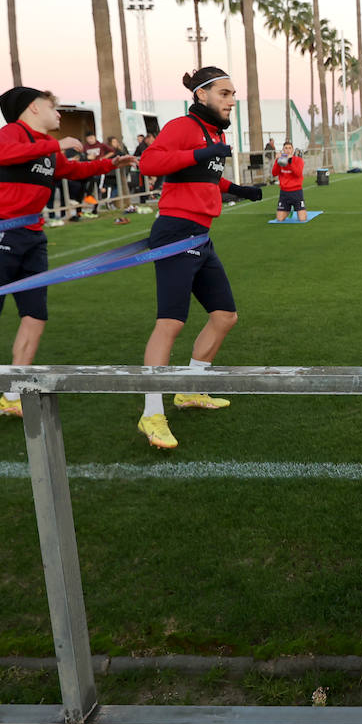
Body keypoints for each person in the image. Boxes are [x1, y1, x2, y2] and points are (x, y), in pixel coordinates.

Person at [0, 87, 133, 432]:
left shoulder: (48, 149)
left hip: (33, 235)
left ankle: (12, 394)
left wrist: (112, 163)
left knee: (35, 315)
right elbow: (4, 155)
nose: (60, 115)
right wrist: (57, 144)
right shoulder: (13, 134)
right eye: (54, 108)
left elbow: (72, 171)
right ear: (34, 108)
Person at [133, 67, 263, 450]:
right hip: (175, 233)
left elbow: (204, 173)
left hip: (200, 235)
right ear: (201, 95)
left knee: (225, 316)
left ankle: (189, 389)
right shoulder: (183, 126)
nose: (231, 100)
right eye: (224, 93)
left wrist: (236, 188)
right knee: (169, 323)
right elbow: (150, 164)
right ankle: (150, 411)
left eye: (233, 94)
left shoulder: (214, 133)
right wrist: (202, 151)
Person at [272, 141, 306, 221]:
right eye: (286, 148)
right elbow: (274, 173)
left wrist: (290, 162)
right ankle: (288, 210)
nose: (288, 150)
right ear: (283, 150)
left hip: (296, 192)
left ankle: (296, 209)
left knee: (302, 219)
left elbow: (298, 174)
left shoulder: (298, 160)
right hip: (284, 192)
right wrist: (277, 161)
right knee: (279, 219)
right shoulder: (280, 161)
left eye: (290, 148)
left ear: (292, 150)